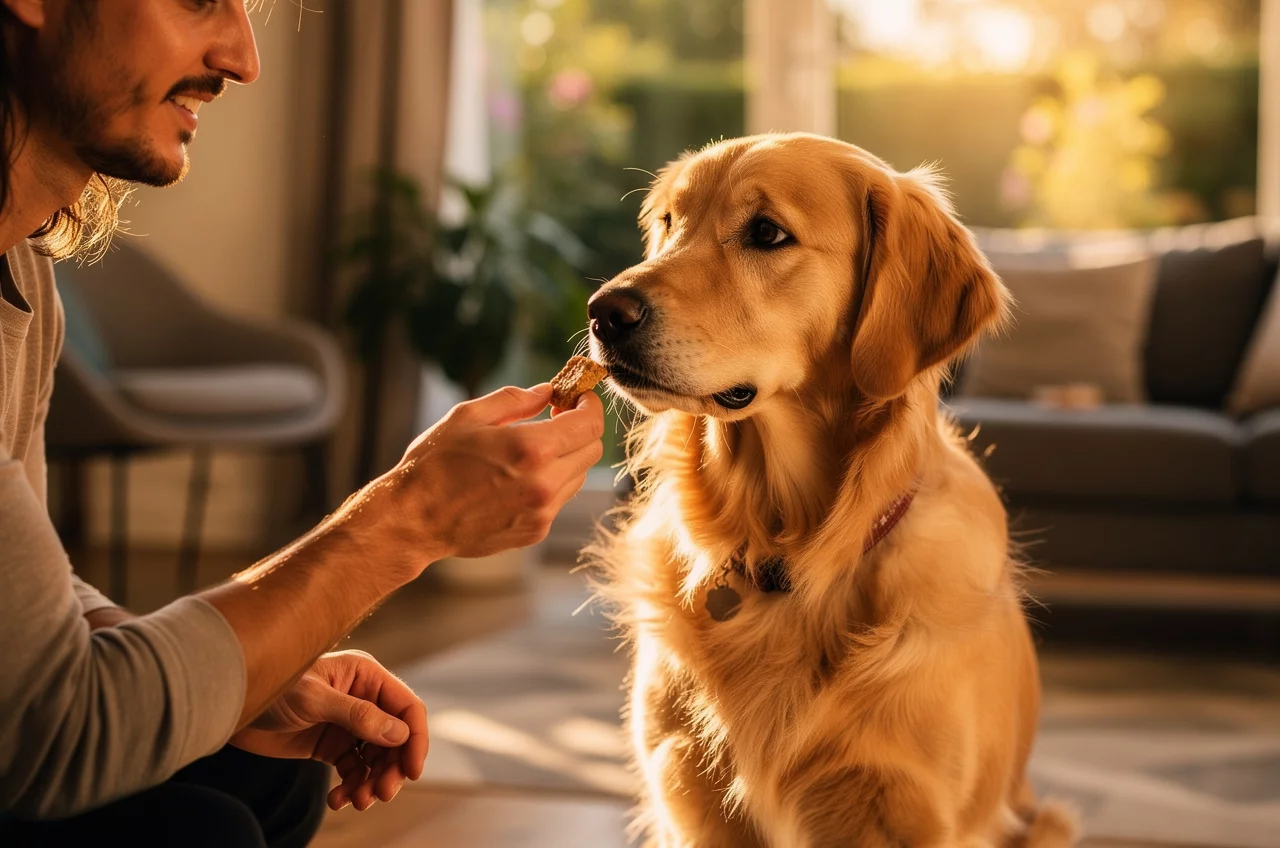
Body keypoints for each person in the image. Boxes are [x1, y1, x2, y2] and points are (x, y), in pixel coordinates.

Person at [0, 2, 605, 845]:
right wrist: (409, 516)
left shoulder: (21, 260)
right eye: (202, 1)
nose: (244, 59)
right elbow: (53, 736)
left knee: (275, 780)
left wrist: (248, 674)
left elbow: (34, 616)